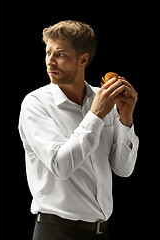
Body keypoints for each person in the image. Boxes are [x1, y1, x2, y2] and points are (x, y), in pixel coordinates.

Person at [18, 20, 139, 240]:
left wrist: (126, 118)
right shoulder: (35, 104)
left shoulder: (103, 99)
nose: (50, 62)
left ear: (83, 59)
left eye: (60, 55)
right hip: (56, 232)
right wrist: (95, 116)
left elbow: (123, 169)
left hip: (101, 231)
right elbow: (61, 165)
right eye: (48, 53)